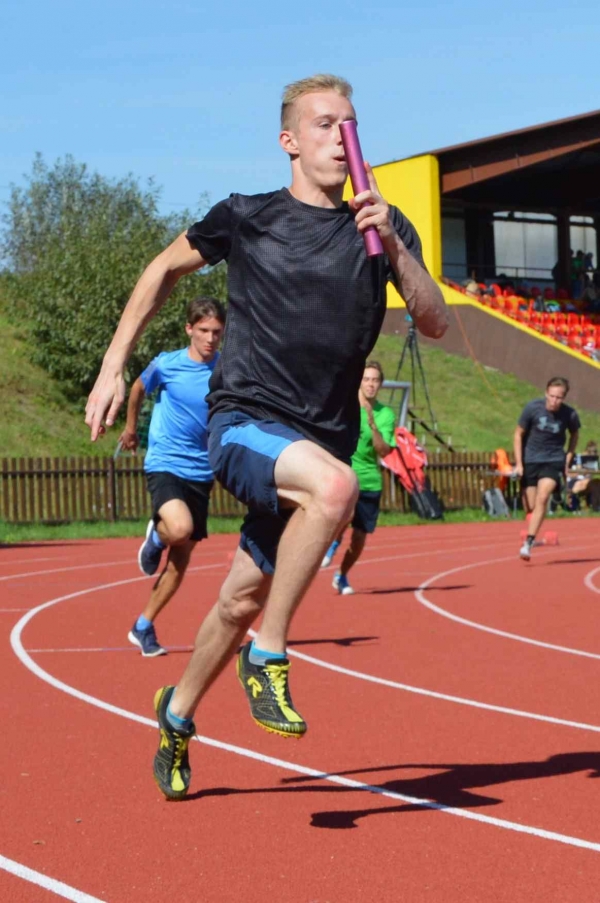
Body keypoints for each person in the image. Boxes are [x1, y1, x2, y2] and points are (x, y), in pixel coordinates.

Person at [85, 73, 448, 800]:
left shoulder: (381, 227)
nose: (342, 139)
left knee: (239, 598)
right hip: (246, 424)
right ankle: (270, 657)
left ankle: (177, 714)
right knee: (338, 487)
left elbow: (434, 319)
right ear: (289, 140)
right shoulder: (248, 215)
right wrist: (112, 364)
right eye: (324, 125)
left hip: (315, 443)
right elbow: (162, 268)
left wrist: (396, 248)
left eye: (350, 125)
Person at [118, 297, 225, 657]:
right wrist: (131, 429)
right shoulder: (167, 364)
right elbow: (136, 388)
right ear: (189, 329)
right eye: (204, 331)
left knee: (181, 563)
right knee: (177, 529)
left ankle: (143, 625)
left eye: (217, 332)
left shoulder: (226, 368)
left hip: (202, 469)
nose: (211, 339)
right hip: (166, 461)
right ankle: (156, 536)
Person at [321, 361, 395, 594]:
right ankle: (332, 545)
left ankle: (341, 575)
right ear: (359, 382)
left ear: (380, 384)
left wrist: (372, 423)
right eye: (366, 379)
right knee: (344, 515)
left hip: (370, 480)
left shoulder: (386, 415)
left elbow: (384, 450)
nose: (371, 384)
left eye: (375, 380)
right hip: (346, 474)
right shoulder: (347, 406)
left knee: (359, 538)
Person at [514, 377, 580, 561]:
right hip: (531, 460)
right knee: (532, 506)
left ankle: (528, 543)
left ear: (564, 397)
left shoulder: (570, 414)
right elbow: (518, 434)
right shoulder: (532, 408)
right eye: (551, 396)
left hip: (553, 460)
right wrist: (519, 463)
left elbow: (575, 434)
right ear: (546, 393)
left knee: (543, 498)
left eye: (558, 397)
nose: (554, 401)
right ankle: (533, 527)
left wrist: (568, 456)